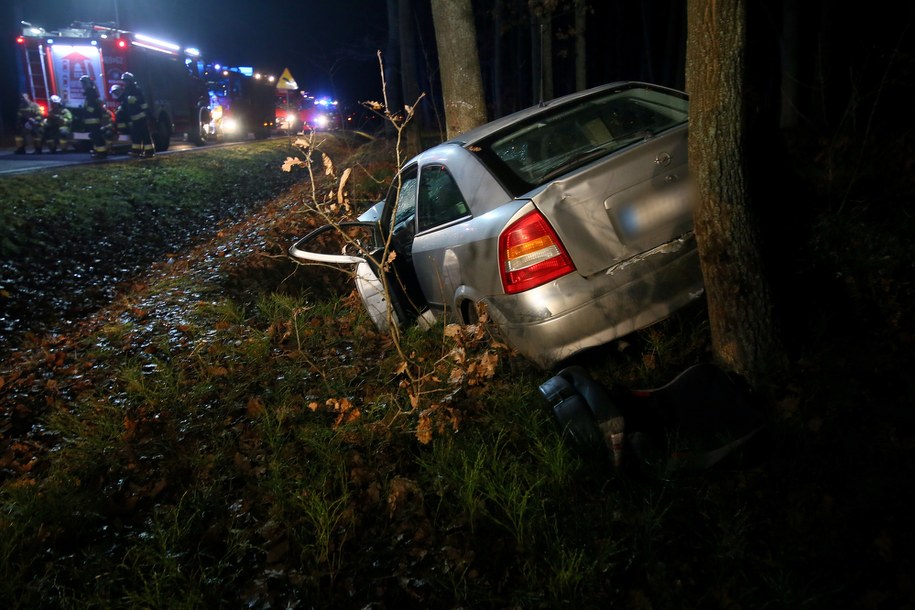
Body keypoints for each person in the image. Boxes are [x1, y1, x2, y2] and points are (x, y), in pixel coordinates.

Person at [122, 72, 155, 157]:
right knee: (136, 135)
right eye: (124, 81)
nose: (125, 83)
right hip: (134, 117)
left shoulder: (136, 90)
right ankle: (136, 151)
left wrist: (148, 114)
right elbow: (125, 103)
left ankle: (149, 152)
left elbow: (143, 103)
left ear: (131, 81)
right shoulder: (127, 91)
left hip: (141, 116)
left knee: (145, 135)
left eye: (126, 81)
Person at [80, 75, 110, 158]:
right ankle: (98, 151)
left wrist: (85, 112)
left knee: (97, 136)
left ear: (88, 84)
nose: (83, 86)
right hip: (91, 119)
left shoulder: (91, 94)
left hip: (93, 119)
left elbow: (92, 107)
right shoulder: (90, 93)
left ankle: (102, 152)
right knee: (94, 136)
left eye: (84, 84)